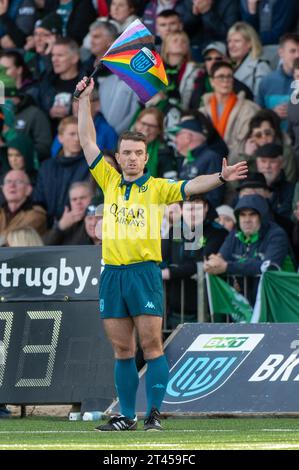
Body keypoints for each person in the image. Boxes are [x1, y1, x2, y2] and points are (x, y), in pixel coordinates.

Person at [76, 75, 247, 431]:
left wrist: (219, 176)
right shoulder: (108, 182)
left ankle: (153, 412)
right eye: (127, 153)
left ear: (145, 156)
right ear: (119, 157)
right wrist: (84, 99)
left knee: (152, 345)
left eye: (138, 153)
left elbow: (191, 185)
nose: (133, 158)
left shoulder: (157, 188)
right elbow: (87, 141)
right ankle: (125, 415)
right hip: (113, 273)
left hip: (144, 272)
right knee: (122, 349)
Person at [204, 194, 295, 304]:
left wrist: (228, 267)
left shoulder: (276, 235)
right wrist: (213, 264)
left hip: (279, 302)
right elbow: (220, 259)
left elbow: (268, 267)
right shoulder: (235, 234)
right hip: (250, 303)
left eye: (252, 215)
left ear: (262, 216)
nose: (247, 220)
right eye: (242, 215)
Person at [227, 22, 272, 100]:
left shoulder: (260, 67)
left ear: (250, 43)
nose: (231, 45)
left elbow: (261, 101)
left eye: (237, 41)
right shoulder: (229, 68)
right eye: (229, 41)